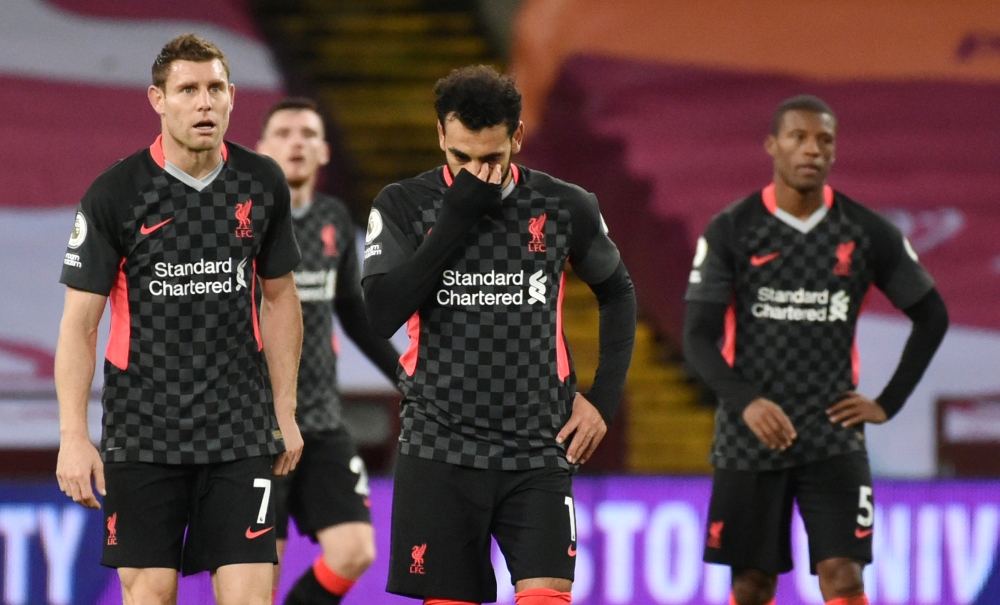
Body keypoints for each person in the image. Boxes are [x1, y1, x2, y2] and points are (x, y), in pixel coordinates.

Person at [361, 65, 637, 605]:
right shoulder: (402, 206)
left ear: (516, 137)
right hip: (439, 446)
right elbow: (381, 313)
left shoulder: (565, 205)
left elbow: (619, 292)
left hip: (538, 446)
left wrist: (601, 400)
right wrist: (457, 218)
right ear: (441, 134)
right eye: (460, 157)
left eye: (490, 158)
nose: (474, 173)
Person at [54, 34, 304, 605]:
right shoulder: (115, 194)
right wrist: (74, 437)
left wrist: (284, 410)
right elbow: (79, 326)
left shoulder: (261, 182)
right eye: (188, 90)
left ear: (234, 96)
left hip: (239, 428)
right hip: (142, 430)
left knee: (249, 595)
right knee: (152, 594)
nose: (204, 102)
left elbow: (281, 297)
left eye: (215, 88)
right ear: (157, 99)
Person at [683, 95, 949, 605]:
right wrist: (748, 402)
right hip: (750, 437)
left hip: (833, 434)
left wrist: (886, 402)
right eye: (798, 137)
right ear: (772, 146)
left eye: (824, 140)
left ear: (834, 152)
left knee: (845, 577)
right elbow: (697, 337)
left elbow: (932, 314)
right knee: (751, 585)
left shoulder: (866, 232)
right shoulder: (733, 230)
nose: (812, 150)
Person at [256, 98, 401, 605]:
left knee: (355, 550)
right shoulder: (243, 224)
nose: (296, 142)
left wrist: (408, 377)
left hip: (321, 421)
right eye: (284, 133)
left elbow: (353, 311)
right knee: (256, 583)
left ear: (324, 152)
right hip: (257, 431)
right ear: (262, 150)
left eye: (307, 134)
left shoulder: (334, 218)